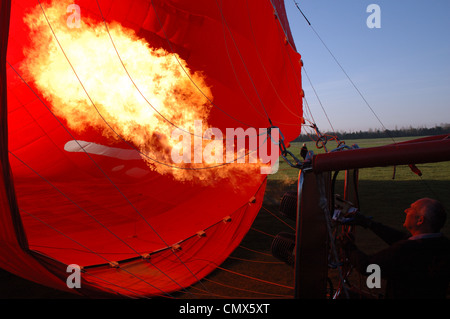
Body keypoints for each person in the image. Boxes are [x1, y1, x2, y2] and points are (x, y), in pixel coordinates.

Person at [340, 197, 450, 299]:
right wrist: (369, 223)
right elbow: (400, 237)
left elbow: (368, 266)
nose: (406, 210)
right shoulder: (443, 244)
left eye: (412, 209)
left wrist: (348, 246)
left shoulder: (407, 250)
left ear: (420, 220)